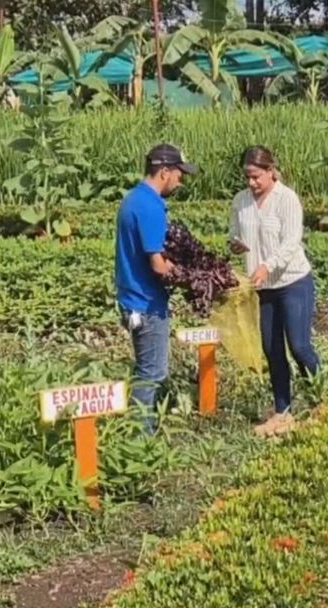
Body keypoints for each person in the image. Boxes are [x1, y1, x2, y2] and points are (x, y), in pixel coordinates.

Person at [229, 146, 320, 438]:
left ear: (270, 171)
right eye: (247, 177)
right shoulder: (241, 202)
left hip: (292, 282)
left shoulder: (287, 199)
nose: (251, 183)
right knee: (272, 350)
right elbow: (234, 233)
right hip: (264, 287)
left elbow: (292, 241)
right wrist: (235, 244)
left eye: (256, 176)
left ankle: (323, 398)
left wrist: (268, 264)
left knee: (299, 346)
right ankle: (283, 411)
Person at [115, 143, 198, 434]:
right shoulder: (150, 207)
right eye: (179, 174)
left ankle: (141, 433)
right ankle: (140, 439)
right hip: (146, 303)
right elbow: (158, 265)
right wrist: (193, 278)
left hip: (133, 299)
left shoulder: (133, 199)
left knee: (148, 370)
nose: (181, 181)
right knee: (151, 373)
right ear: (164, 172)